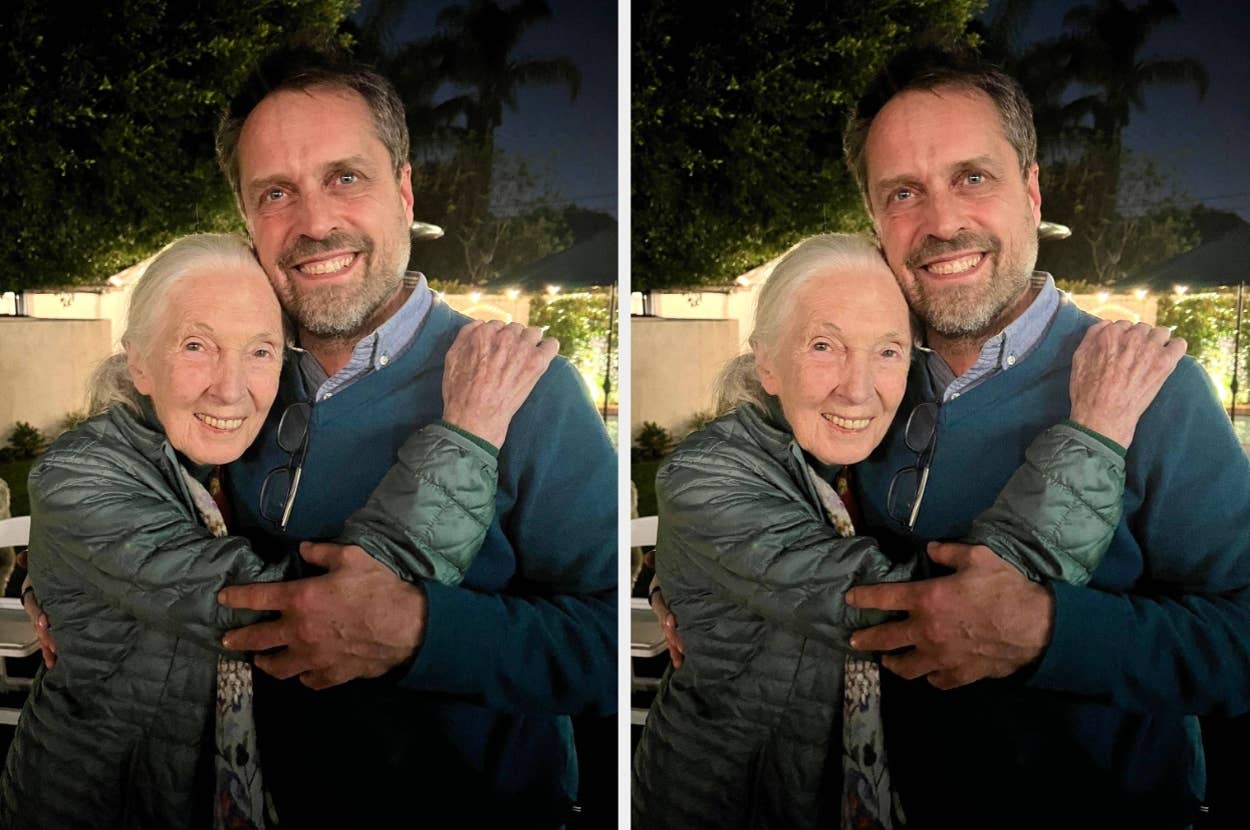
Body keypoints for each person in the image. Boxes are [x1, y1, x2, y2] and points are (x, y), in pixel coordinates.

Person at [653, 46, 1250, 828]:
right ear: (874, 222)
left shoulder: (1140, 387)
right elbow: (777, 517)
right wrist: (684, 582)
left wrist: (1049, 630)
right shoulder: (866, 390)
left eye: (973, 177)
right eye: (904, 192)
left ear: (1031, 192)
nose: (941, 222)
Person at [631, 232, 1185, 830]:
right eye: (824, 345)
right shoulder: (707, 473)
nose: (857, 387)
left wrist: (674, 580)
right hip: (732, 803)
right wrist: (1096, 431)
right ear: (766, 360)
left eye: (888, 351)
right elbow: (943, 613)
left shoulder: (864, 451)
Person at [2, 233, 554, 829]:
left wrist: (47, 585)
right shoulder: (80, 473)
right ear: (138, 360)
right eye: (196, 345)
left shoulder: (228, 454)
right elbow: (317, 612)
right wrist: (468, 433)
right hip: (102, 804)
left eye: (261, 351)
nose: (231, 388)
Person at [203, 49, 616, 826]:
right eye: (277, 193)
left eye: (345, 178)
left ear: (403, 190)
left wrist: (421, 630)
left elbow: (610, 640)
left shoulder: (522, 389)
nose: (315, 222)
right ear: (247, 220)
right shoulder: (225, 384)